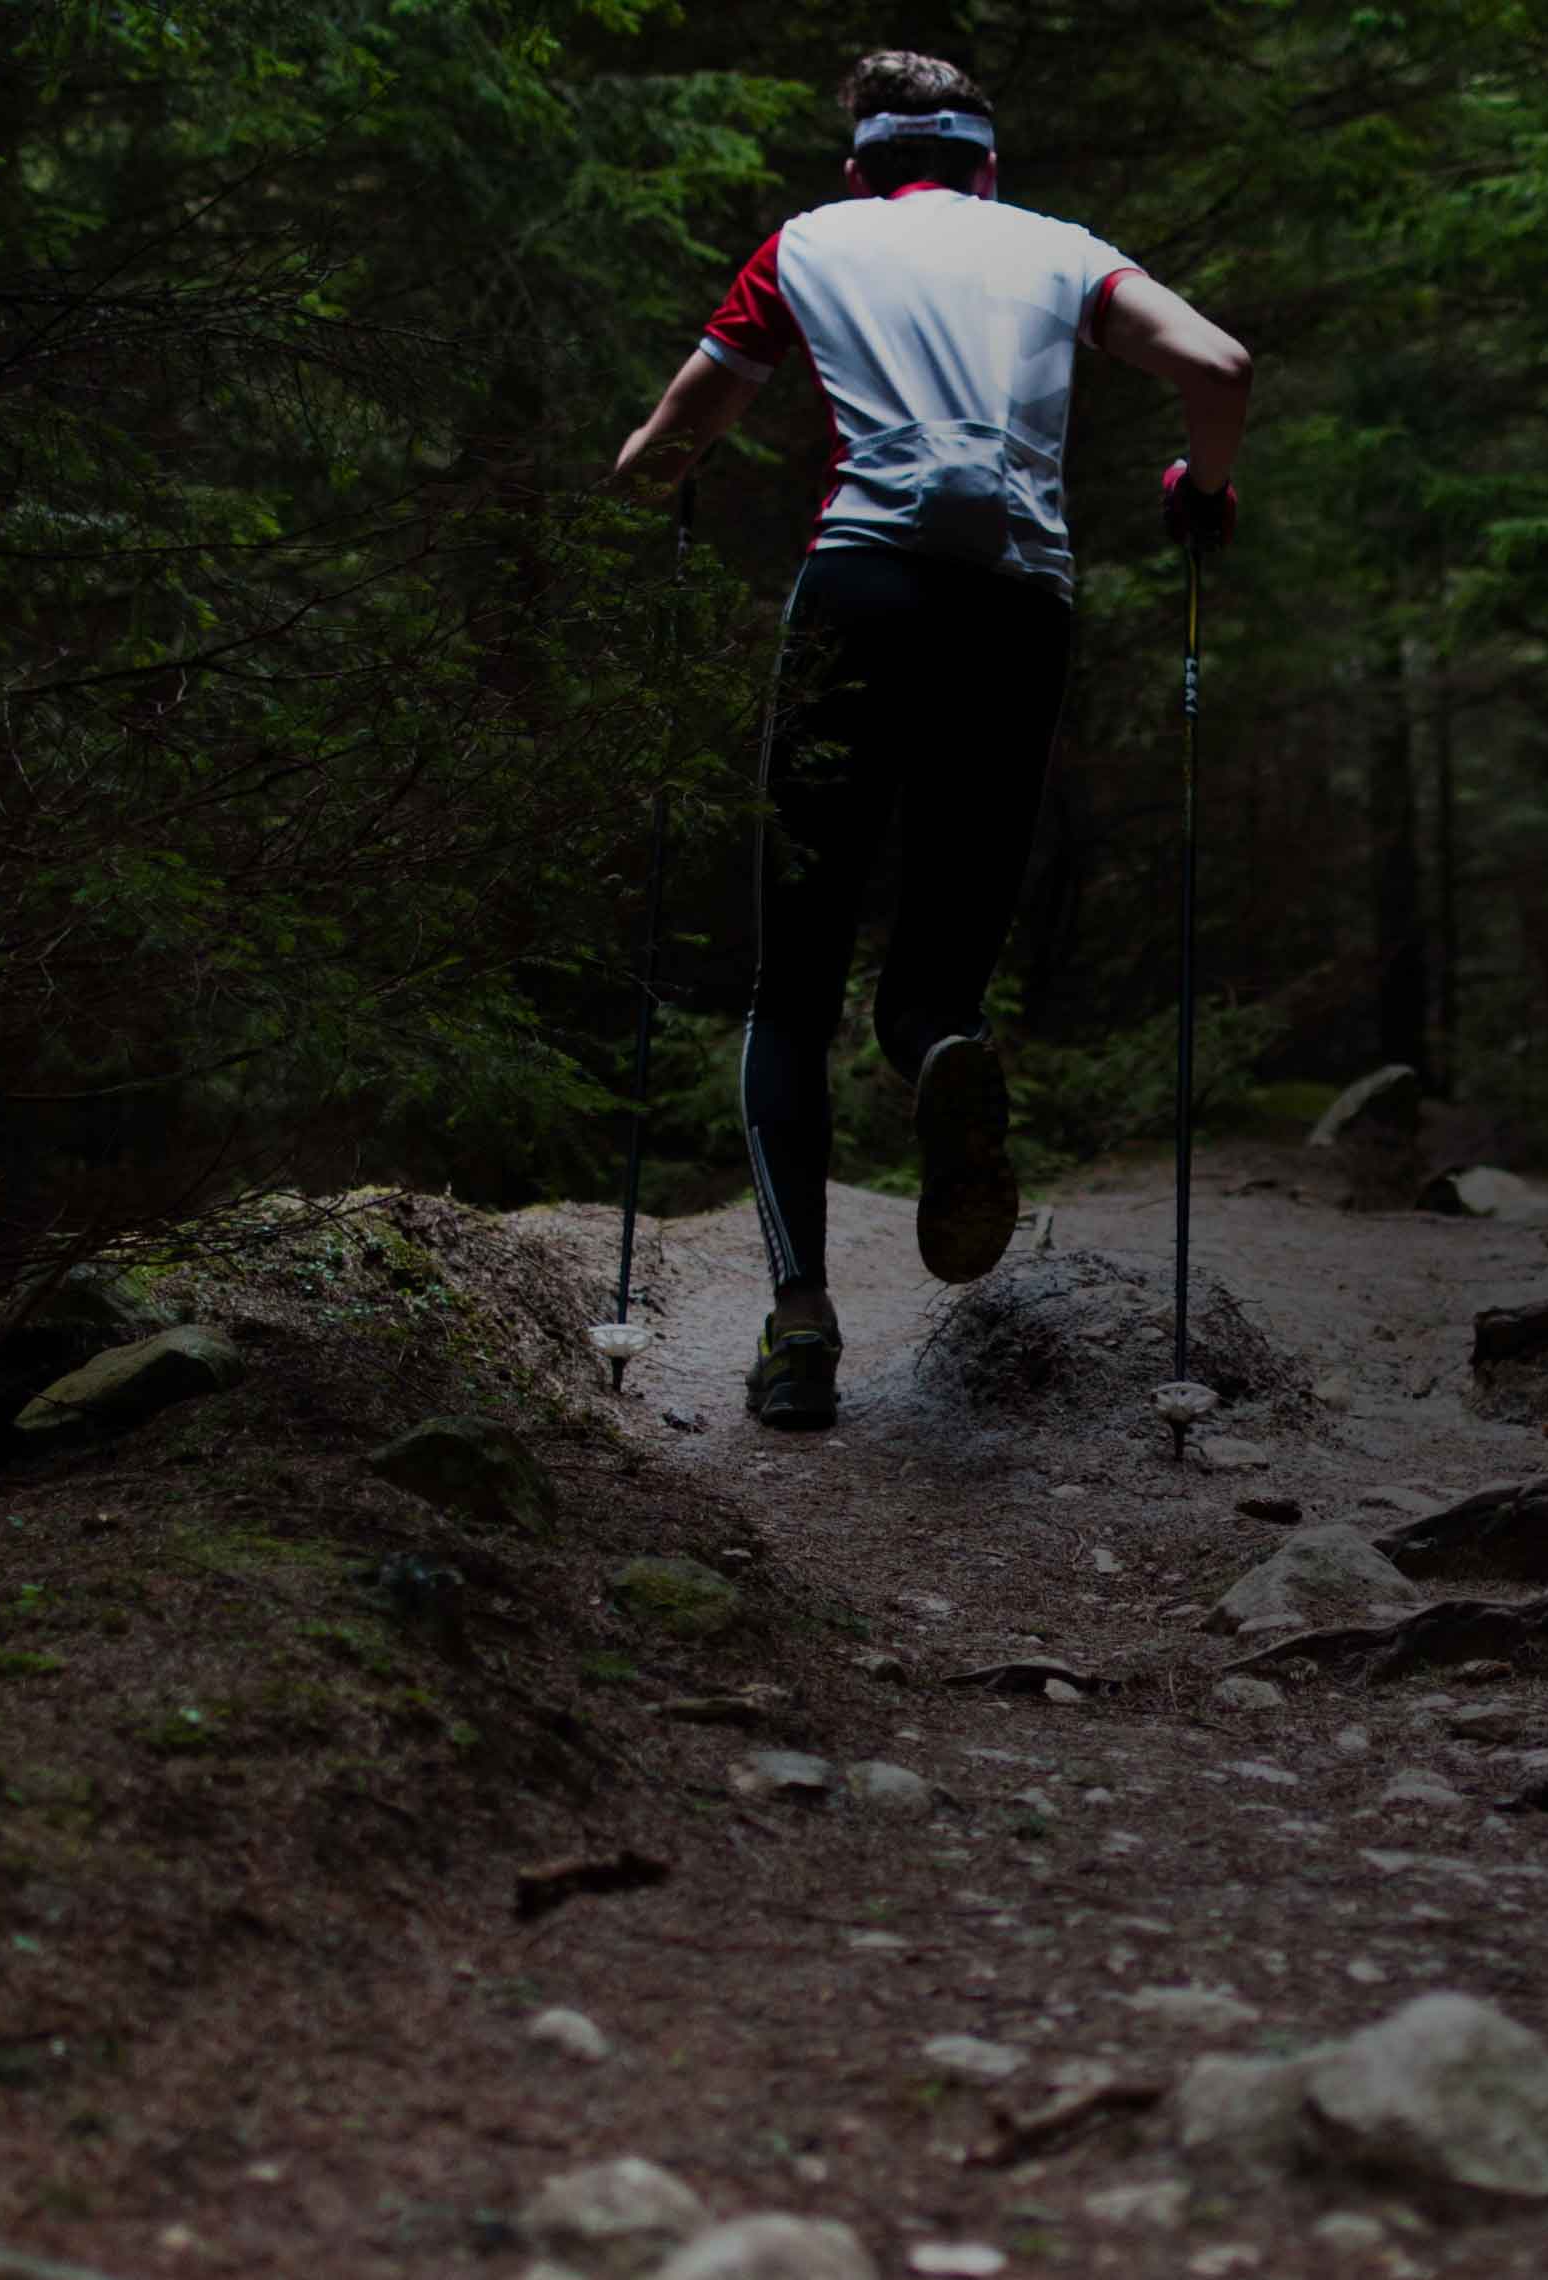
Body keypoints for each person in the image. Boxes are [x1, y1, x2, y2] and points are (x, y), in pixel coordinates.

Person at [613, 50, 1252, 1431]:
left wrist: (653, 475)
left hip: (860, 594)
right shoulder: (1059, 250)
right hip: (1018, 609)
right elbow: (1219, 363)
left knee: (791, 982)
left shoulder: (806, 244)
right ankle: (942, 1057)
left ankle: (798, 1329)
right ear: (988, 167)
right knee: (935, 980)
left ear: (861, 169)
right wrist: (1203, 488)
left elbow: (679, 430)